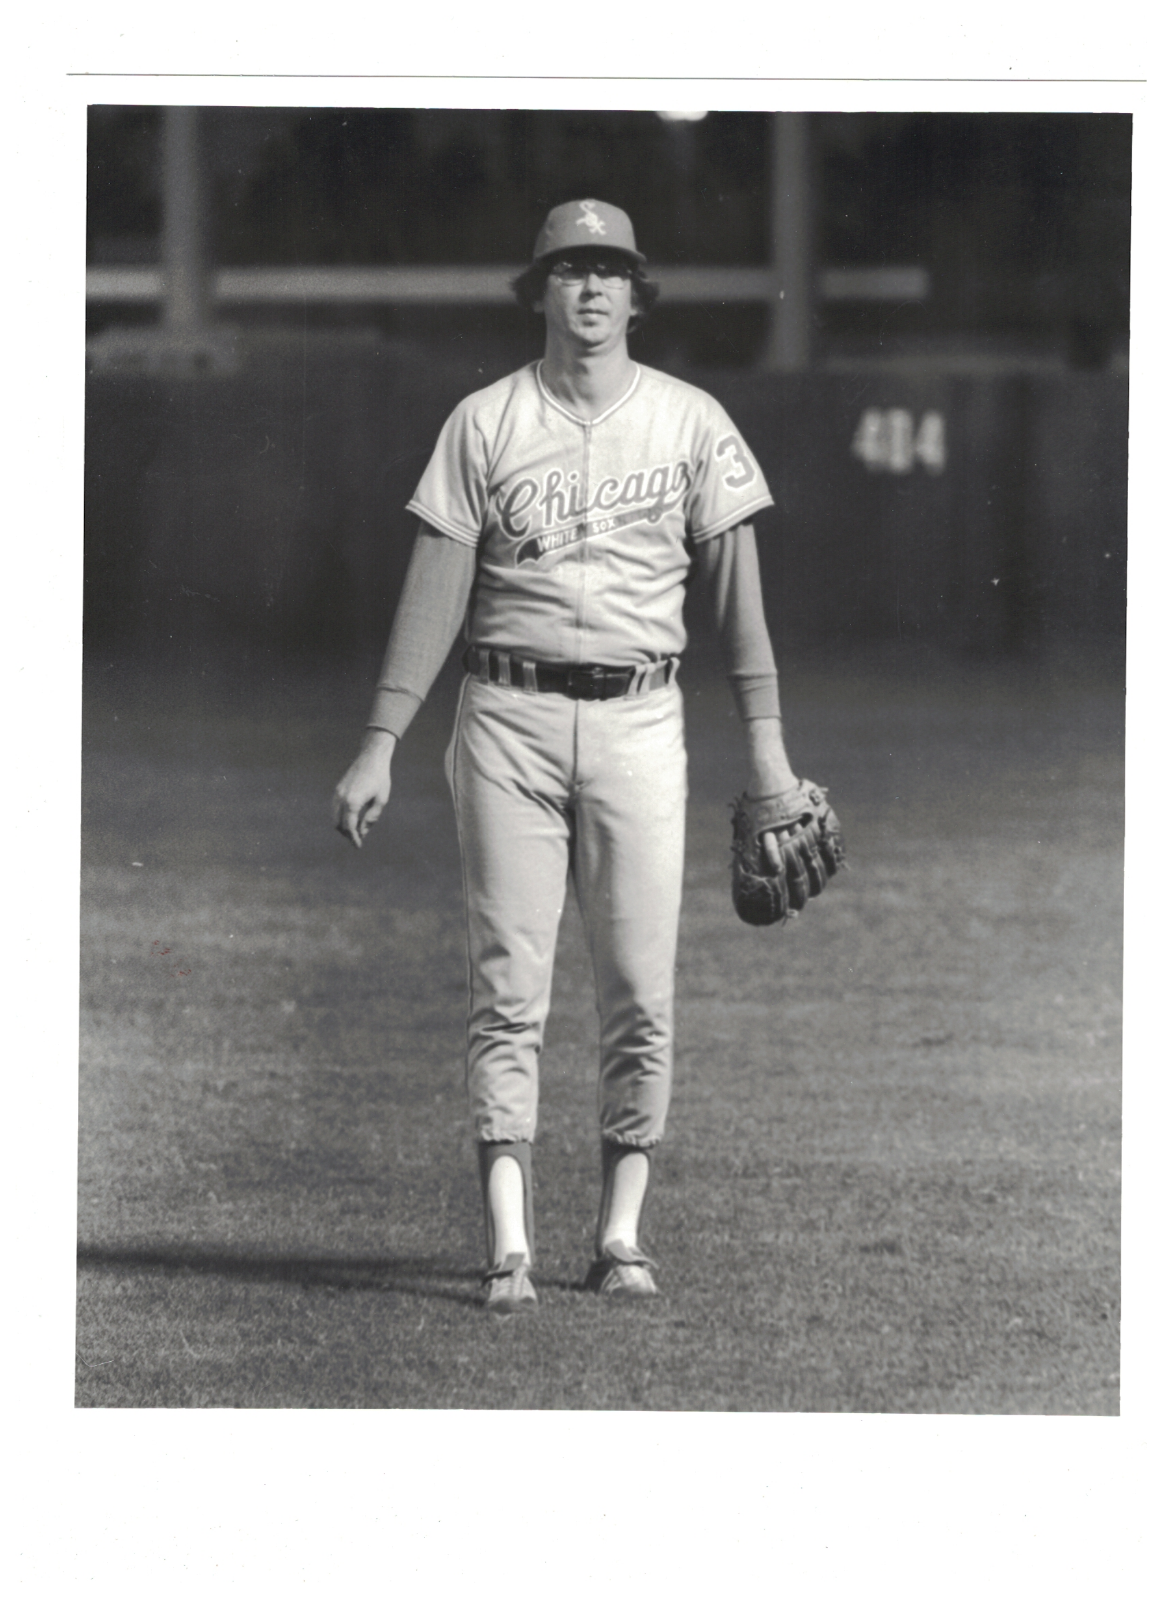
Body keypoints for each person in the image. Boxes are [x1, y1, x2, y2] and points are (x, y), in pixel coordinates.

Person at [333, 199, 801, 1314]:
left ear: (635, 294)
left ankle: (621, 1234)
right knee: (511, 986)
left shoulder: (691, 421)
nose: (588, 288)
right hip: (507, 719)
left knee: (640, 989)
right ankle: (507, 1242)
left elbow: (737, 606)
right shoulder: (485, 420)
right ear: (536, 291)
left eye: (608, 270)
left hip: (641, 723)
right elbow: (435, 588)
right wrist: (379, 741)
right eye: (567, 270)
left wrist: (770, 756)